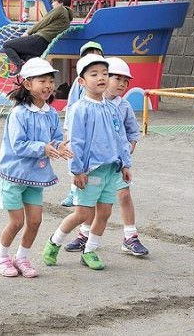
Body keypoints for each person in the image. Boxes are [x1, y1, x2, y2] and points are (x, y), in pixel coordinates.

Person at [42, 54, 132, 270]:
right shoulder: (79, 109)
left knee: (105, 212)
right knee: (83, 213)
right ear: (81, 81)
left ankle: (89, 251)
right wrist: (77, 170)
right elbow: (76, 142)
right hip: (90, 171)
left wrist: (126, 164)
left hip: (112, 169)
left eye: (104, 73)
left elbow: (121, 137)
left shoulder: (112, 108)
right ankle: (54, 243)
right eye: (94, 74)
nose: (101, 77)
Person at [0, 58, 73, 277]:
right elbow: (18, 145)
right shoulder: (19, 113)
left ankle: (22, 257)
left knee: (35, 221)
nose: (48, 85)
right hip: (14, 175)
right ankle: (1, 256)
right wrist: (43, 148)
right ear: (28, 84)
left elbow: (55, 138)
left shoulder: (51, 113)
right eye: (42, 81)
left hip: (36, 176)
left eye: (50, 80)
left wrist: (59, 147)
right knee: (17, 221)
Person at [97, 57, 148, 255]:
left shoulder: (124, 106)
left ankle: (130, 237)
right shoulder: (92, 104)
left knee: (125, 196)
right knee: (93, 203)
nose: (121, 84)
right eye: (116, 78)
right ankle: (84, 235)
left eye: (125, 81)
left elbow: (133, 132)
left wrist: (129, 149)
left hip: (118, 164)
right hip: (95, 164)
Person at [60, 40, 104, 208]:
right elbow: (72, 105)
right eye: (89, 54)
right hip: (78, 126)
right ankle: (74, 190)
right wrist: (67, 127)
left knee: (94, 161)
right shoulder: (81, 83)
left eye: (97, 53)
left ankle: (96, 190)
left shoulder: (102, 82)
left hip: (95, 129)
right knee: (76, 156)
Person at [2, 0, 73, 76]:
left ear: (60, 3)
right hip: (44, 45)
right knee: (23, 54)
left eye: (54, 1)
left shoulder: (60, 9)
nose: (52, 4)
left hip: (39, 38)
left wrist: (28, 32)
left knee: (7, 46)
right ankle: (26, 66)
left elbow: (44, 21)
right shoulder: (68, 17)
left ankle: (20, 66)